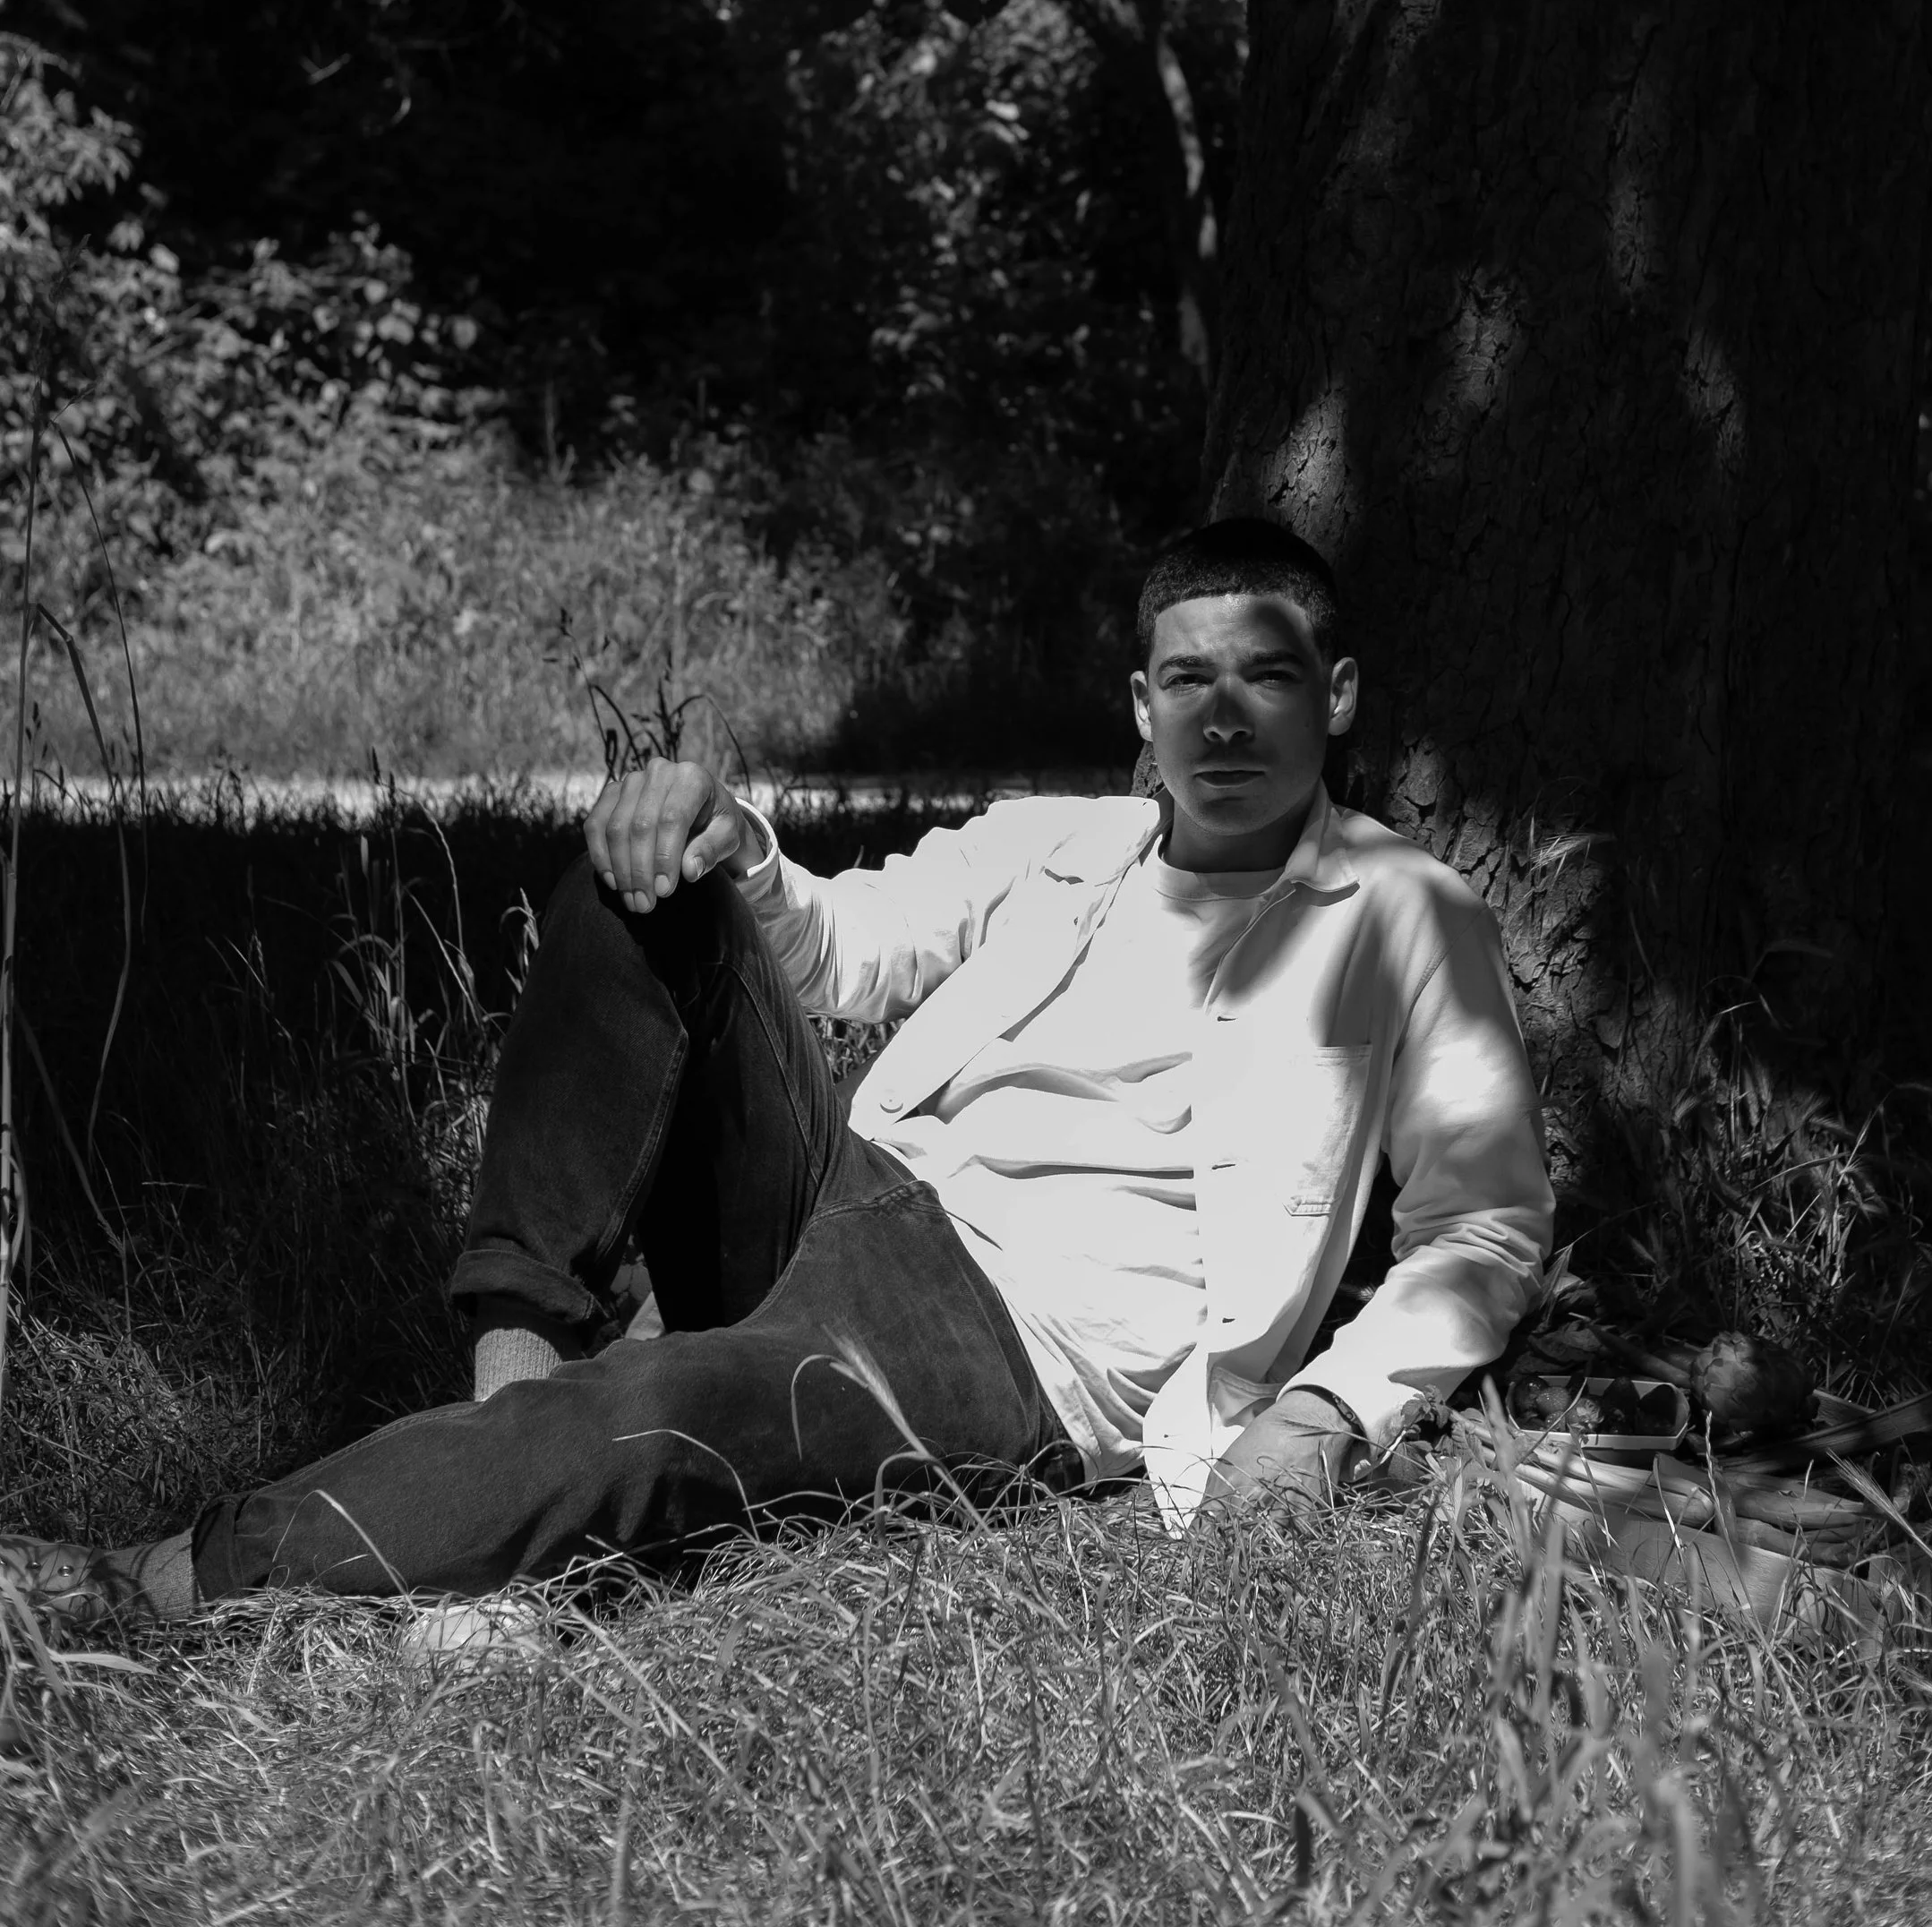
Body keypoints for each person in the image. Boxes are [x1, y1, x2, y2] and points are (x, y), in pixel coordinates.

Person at [5, 519, 1553, 1624]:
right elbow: (847, 950)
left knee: (663, 1406)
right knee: (645, 882)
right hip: (852, 1183)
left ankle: (149, 1579)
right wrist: (729, 836)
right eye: (1186, 678)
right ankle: (510, 1424)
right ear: (1141, 707)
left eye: (1265, 676)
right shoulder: (1066, 840)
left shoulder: (1405, 913)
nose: (1222, 714)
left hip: (1008, 1335)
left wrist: (1325, 1410)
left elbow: (1483, 1226)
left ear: (1335, 695)